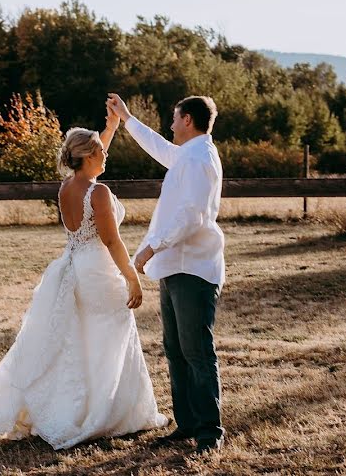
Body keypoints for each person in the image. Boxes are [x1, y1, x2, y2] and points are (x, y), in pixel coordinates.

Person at [0, 104, 167, 450]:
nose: (105, 155)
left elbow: (93, 166)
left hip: (76, 265)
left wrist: (109, 128)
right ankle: (108, 413)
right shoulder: (99, 193)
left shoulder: (68, 186)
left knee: (83, 340)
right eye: (100, 151)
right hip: (100, 270)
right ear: (87, 156)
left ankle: (77, 407)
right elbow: (111, 240)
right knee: (110, 338)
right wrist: (132, 278)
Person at [107, 93, 226, 455]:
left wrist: (151, 246)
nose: (171, 125)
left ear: (188, 120)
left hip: (193, 267)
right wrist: (127, 119)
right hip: (175, 267)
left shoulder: (199, 159)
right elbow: (159, 147)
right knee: (175, 350)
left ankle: (209, 431)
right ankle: (187, 423)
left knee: (197, 353)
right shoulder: (187, 155)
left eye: (174, 119)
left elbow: (193, 217)